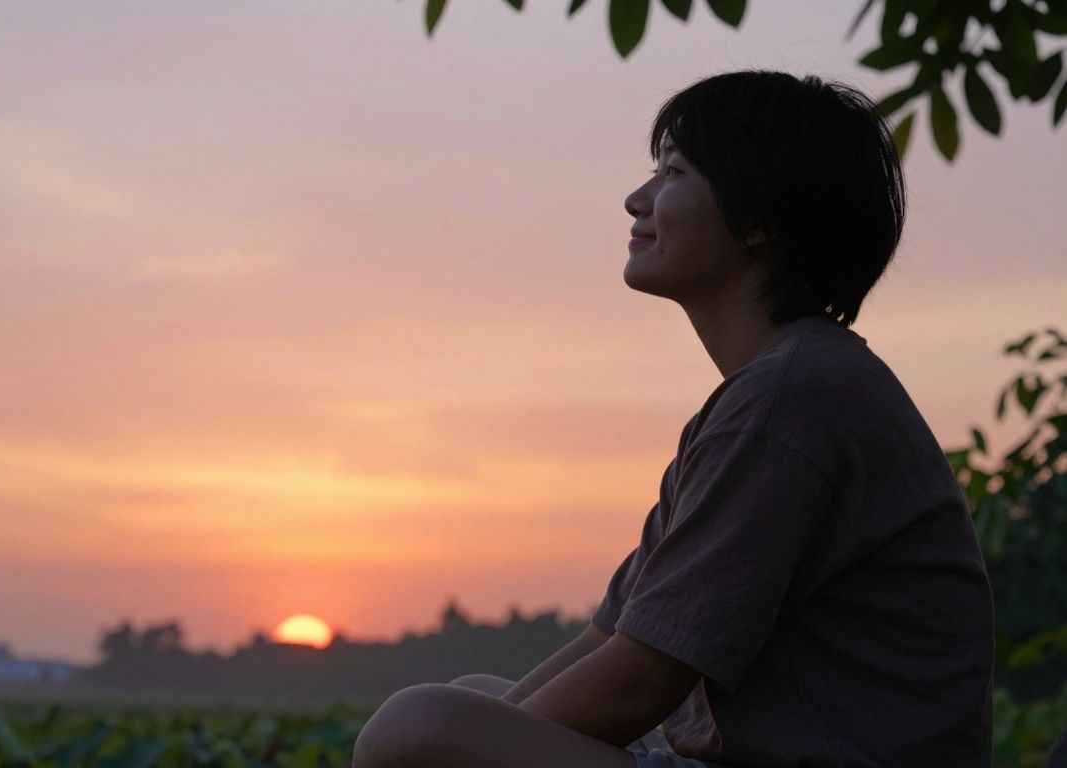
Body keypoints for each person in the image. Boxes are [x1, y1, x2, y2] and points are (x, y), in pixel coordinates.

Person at [350, 69, 995, 768]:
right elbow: (611, 638)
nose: (638, 199)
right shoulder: (775, 391)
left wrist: (461, 749)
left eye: (674, 173)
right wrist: (481, 739)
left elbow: (640, 682)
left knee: (417, 725)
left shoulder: (791, 400)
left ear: (761, 221)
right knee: (467, 702)